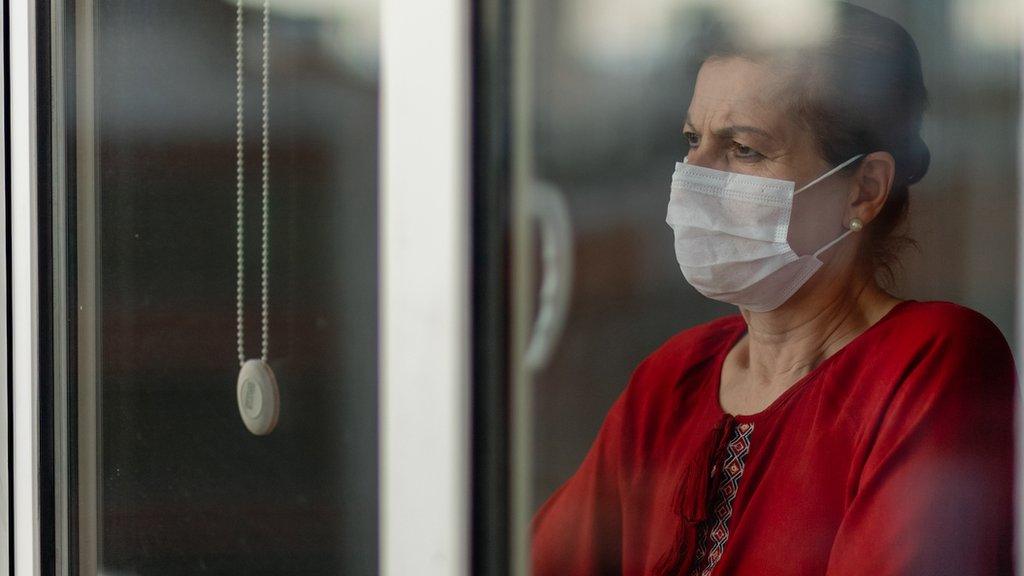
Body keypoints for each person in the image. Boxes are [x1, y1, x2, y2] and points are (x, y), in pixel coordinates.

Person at [530, 2, 1016, 575]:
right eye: (693, 139)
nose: (696, 173)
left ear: (863, 190)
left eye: (744, 149)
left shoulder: (929, 362)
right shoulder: (670, 381)